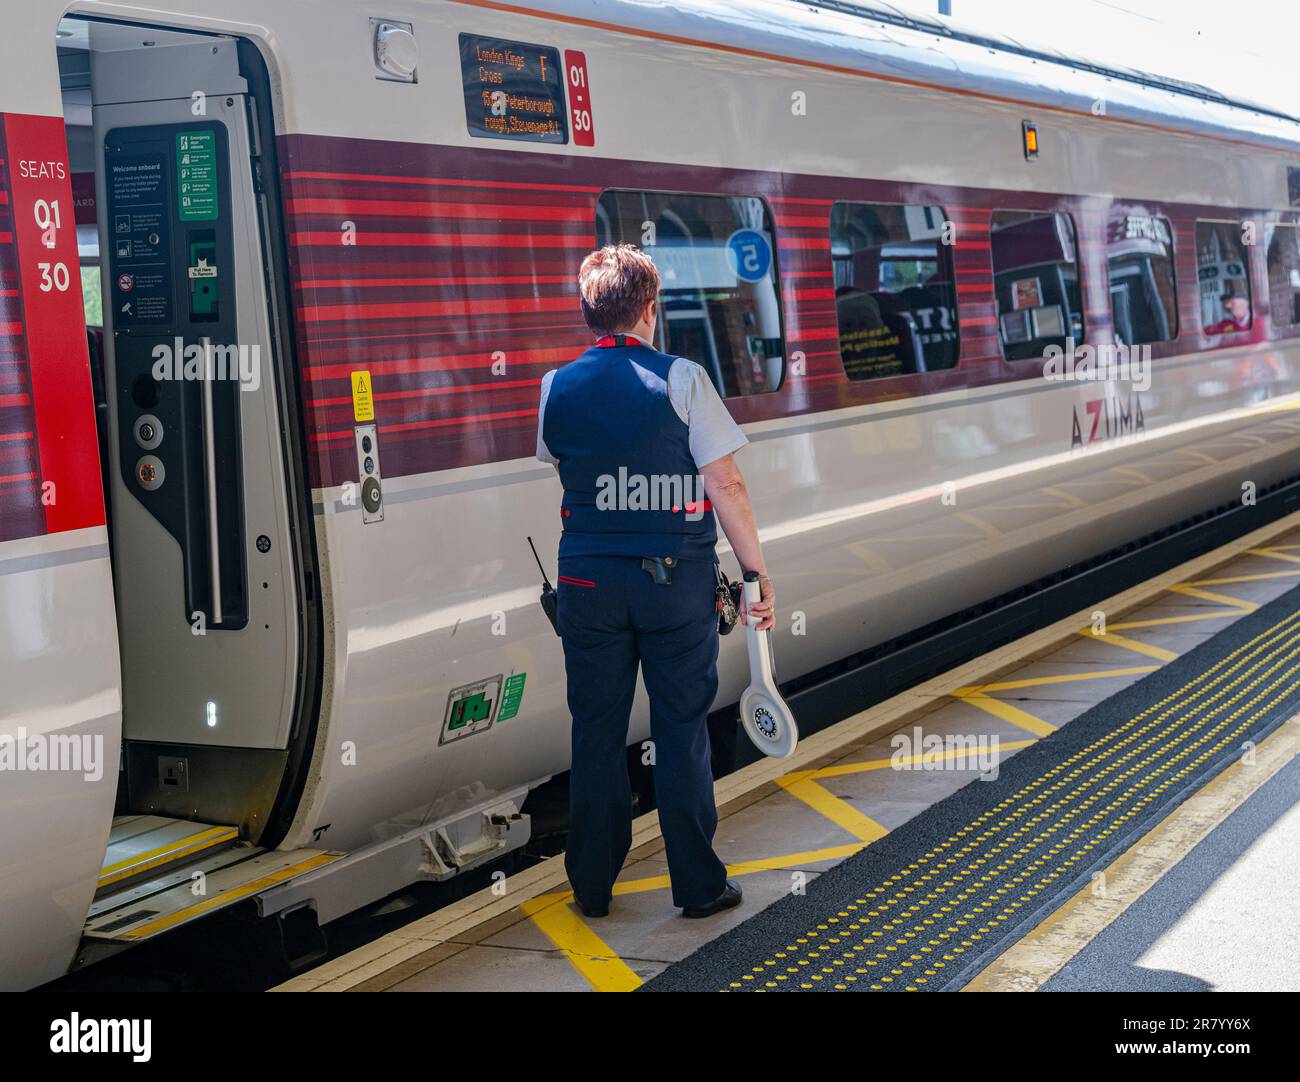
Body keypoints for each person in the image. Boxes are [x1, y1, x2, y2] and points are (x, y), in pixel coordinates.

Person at [536, 243, 775, 919]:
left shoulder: (555, 387)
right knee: (680, 731)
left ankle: (591, 886)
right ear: (650, 310)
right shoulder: (683, 380)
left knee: (596, 733)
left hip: (586, 585)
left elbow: (570, 471)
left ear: (587, 311)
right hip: (675, 583)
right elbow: (725, 482)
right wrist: (755, 573)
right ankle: (698, 886)